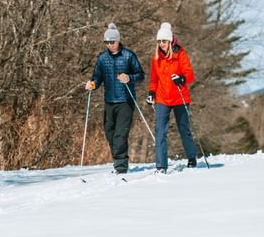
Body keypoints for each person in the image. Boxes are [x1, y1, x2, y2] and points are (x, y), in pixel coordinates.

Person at [85, 23, 145, 174]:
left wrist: (129, 78)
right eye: (106, 42)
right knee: (109, 132)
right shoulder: (102, 58)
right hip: (109, 100)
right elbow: (97, 76)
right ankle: (119, 159)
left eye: (112, 42)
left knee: (120, 134)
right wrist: (93, 84)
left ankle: (120, 166)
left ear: (118, 41)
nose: (109, 45)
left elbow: (140, 75)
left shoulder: (128, 55)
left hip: (125, 101)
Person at [146, 22, 198, 173]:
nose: (161, 44)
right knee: (160, 131)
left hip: (180, 97)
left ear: (169, 41)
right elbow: (154, 79)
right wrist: (151, 93)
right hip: (162, 98)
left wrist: (181, 79)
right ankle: (161, 166)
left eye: (164, 41)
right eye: (159, 41)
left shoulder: (180, 54)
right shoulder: (156, 58)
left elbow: (190, 74)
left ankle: (192, 157)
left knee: (184, 129)